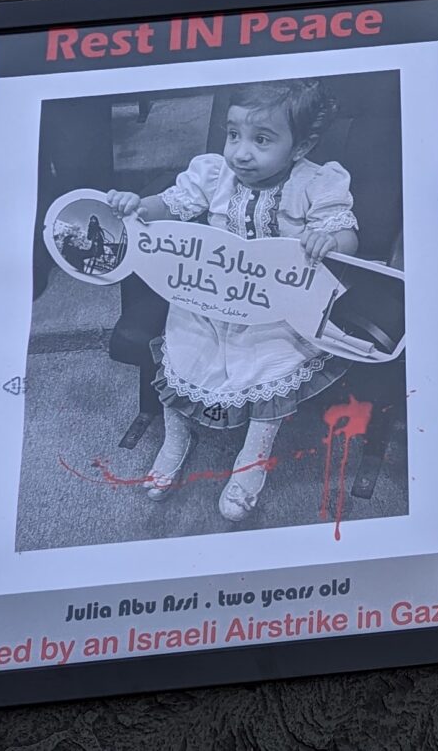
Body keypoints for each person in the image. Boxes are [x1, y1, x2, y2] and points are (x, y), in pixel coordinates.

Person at [105, 81, 358, 522]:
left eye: (261, 140)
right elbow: (170, 205)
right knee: (181, 354)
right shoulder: (215, 174)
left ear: (302, 146)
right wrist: (138, 205)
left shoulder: (315, 182)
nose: (240, 152)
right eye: (233, 134)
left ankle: (252, 460)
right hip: (208, 294)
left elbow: (348, 235)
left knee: (269, 366)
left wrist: (328, 238)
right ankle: (176, 439)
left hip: (273, 306)